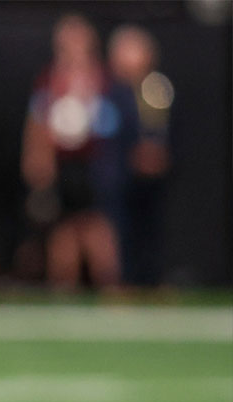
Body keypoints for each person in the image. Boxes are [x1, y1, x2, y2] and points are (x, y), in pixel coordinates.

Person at [19, 15, 134, 291]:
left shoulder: (104, 79)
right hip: (63, 163)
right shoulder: (49, 80)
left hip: (97, 162)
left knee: (98, 226)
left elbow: (117, 120)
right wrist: (36, 156)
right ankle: (63, 287)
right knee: (64, 228)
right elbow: (37, 121)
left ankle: (109, 284)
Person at [108, 24, 172, 287]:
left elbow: (168, 128)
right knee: (122, 230)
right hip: (119, 174)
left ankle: (153, 280)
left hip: (154, 176)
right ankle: (124, 281)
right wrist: (132, 155)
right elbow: (108, 132)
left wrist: (158, 154)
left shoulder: (158, 88)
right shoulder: (111, 92)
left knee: (152, 230)